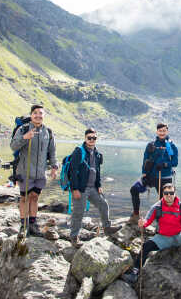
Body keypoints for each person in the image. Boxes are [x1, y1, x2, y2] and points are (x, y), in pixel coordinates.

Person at [122, 183, 181, 283]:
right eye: (166, 193)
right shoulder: (157, 207)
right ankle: (135, 273)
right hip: (162, 238)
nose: (169, 195)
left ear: (175, 193)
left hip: (178, 235)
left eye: (171, 193)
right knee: (145, 246)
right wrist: (142, 223)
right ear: (163, 194)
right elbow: (147, 220)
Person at [67, 128, 121, 247]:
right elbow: (73, 171)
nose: (92, 140)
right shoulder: (79, 151)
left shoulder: (96, 153)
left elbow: (97, 170)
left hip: (93, 188)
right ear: (85, 138)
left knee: (103, 204)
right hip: (81, 189)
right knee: (78, 213)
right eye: (89, 138)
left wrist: (99, 185)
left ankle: (107, 227)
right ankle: (74, 237)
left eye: (94, 138)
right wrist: (74, 189)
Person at [10, 104, 58, 237]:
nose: (38, 115)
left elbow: (52, 151)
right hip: (25, 171)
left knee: (35, 197)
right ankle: (23, 225)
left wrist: (54, 167)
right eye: (35, 113)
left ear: (44, 116)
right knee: (24, 197)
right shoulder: (23, 129)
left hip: (40, 172)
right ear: (31, 115)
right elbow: (13, 146)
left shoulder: (48, 132)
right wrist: (25, 137)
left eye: (40, 113)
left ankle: (32, 223)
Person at [128, 123, 178, 224]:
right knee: (134, 189)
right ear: (157, 132)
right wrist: (144, 173)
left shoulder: (171, 146)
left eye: (164, 131)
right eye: (160, 131)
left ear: (167, 131)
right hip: (150, 176)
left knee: (164, 201)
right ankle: (136, 214)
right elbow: (145, 159)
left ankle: (163, 223)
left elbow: (175, 162)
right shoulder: (151, 145)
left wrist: (164, 164)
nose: (162, 133)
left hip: (165, 178)